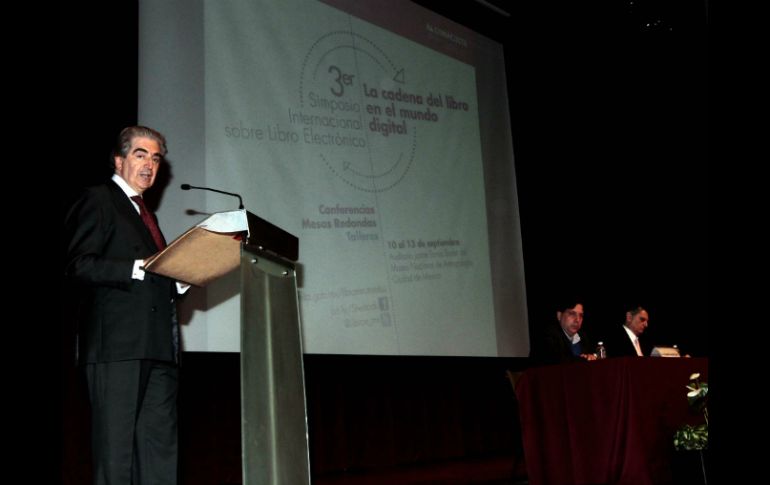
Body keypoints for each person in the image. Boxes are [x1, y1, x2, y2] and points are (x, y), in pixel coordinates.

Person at [64, 126, 189, 485]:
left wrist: (179, 280)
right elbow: (78, 266)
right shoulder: (98, 199)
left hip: (159, 348)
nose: (150, 164)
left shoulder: (147, 216)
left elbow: (154, 274)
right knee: (116, 455)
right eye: (140, 154)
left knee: (159, 453)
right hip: (117, 348)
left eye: (156, 158)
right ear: (119, 160)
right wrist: (135, 268)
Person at [529, 297, 597, 366]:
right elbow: (558, 362)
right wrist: (584, 359)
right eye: (572, 314)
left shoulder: (583, 337)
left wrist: (591, 357)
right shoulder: (548, 336)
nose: (577, 320)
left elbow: (593, 356)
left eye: (581, 315)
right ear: (559, 315)